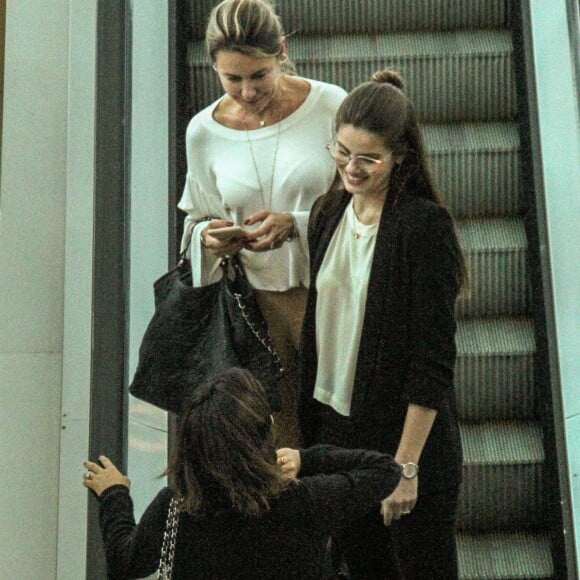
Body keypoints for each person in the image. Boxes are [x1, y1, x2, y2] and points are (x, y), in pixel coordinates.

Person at [299, 69, 466, 579]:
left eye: (368, 158)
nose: (352, 167)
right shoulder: (327, 213)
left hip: (402, 443)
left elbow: (432, 361)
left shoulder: (423, 228)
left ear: (401, 157)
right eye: (342, 152)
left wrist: (406, 468)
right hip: (337, 437)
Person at [177, 0, 347, 448]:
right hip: (256, 308)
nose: (247, 92)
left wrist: (296, 224)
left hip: (335, 292)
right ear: (213, 66)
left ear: (282, 53)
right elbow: (198, 216)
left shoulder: (330, 104)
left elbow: (366, 203)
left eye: (258, 75)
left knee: (344, 421)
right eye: (232, 79)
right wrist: (208, 236)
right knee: (277, 432)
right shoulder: (203, 132)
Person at [83, 368, 401, 579]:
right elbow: (384, 470)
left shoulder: (175, 510)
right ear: (265, 434)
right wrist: (306, 459)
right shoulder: (304, 502)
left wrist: (114, 494)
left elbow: (123, 564)